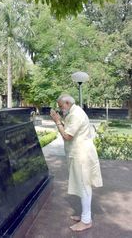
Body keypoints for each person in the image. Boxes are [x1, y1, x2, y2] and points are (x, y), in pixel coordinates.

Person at [50, 94, 103, 232]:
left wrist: (57, 121)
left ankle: (86, 221)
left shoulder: (76, 115)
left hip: (82, 156)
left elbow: (67, 136)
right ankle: (84, 215)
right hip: (79, 154)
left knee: (84, 186)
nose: (60, 109)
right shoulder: (73, 112)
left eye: (61, 106)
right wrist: (61, 120)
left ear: (67, 103)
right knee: (82, 185)